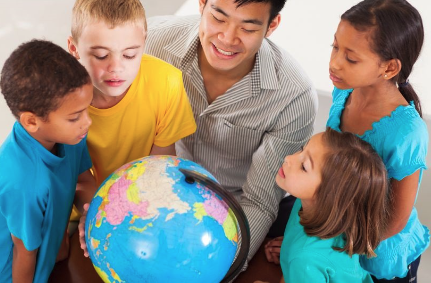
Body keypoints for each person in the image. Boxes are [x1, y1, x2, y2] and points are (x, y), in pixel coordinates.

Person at [144, 0, 318, 263]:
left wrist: (221, 266)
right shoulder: (151, 42)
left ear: (271, 26)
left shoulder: (294, 95)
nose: (227, 39)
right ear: (202, 4)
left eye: (247, 28)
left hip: (231, 210)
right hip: (155, 188)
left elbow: (259, 201)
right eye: (218, 17)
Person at [67, 0, 197, 223]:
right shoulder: (61, 98)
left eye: (129, 55)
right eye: (100, 56)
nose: (116, 67)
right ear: (73, 49)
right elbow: (75, 179)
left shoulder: (167, 82)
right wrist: (97, 215)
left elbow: (159, 164)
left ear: (143, 44)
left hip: (144, 201)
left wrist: (137, 213)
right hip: (82, 207)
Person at [325, 0, 428, 281]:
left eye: (351, 57)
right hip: (339, 227)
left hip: (376, 250)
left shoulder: (407, 133)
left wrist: (339, 246)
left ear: (389, 68)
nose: (334, 62)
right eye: (335, 47)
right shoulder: (344, 92)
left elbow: (394, 220)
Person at [0, 40, 96, 282]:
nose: (87, 122)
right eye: (75, 117)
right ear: (32, 121)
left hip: (53, 252)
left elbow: (83, 180)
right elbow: (24, 253)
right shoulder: (24, 182)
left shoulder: (70, 135)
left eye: (87, 109)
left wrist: (90, 213)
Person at [255, 128, 389, 283]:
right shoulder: (309, 205)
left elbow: (309, 261)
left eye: (304, 166)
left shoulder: (305, 260)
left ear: (328, 197)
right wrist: (289, 250)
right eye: (301, 150)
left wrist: (296, 265)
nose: (288, 158)